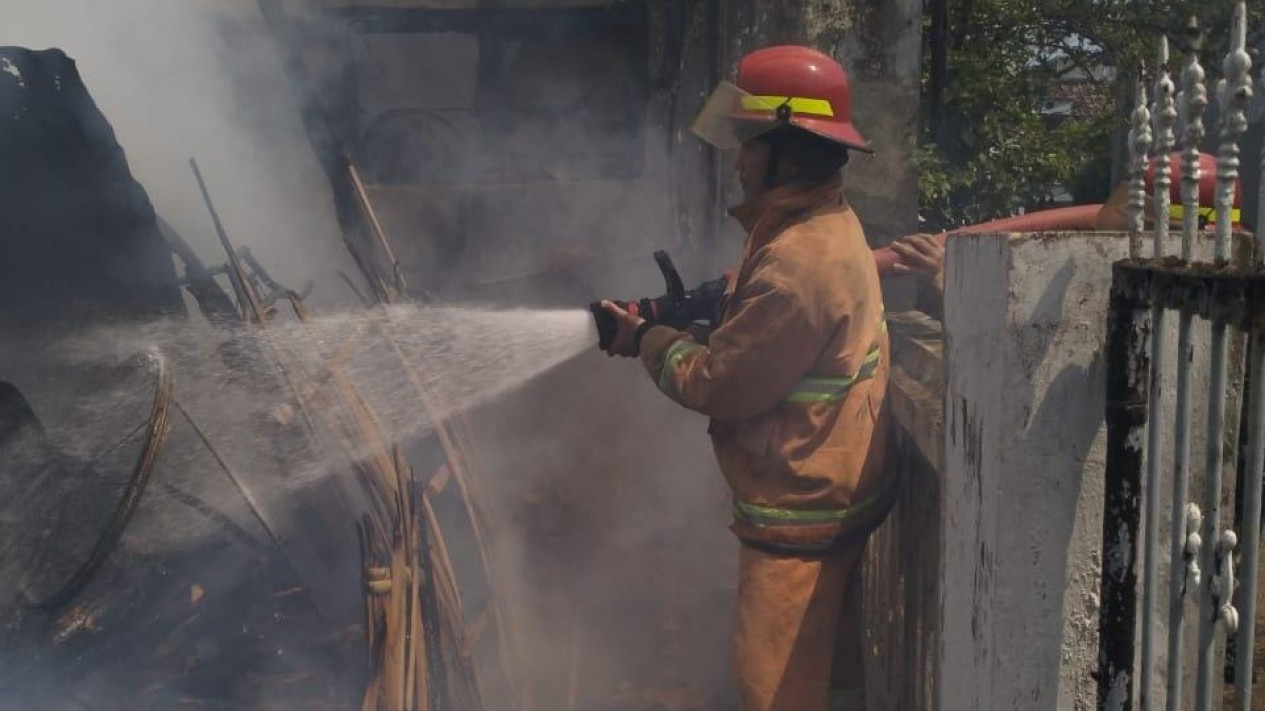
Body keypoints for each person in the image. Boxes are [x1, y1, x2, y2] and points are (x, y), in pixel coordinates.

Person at [600, 46, 893, 711]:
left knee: (774, 688)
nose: (736, 158)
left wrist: (647, 339)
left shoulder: (797, 262)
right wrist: (694, 325)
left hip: (800, 512)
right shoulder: (816, 227)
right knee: (830, 677)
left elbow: (719, 385)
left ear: (789, 150)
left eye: (748, 143)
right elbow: (776, 353)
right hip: (835, 489)